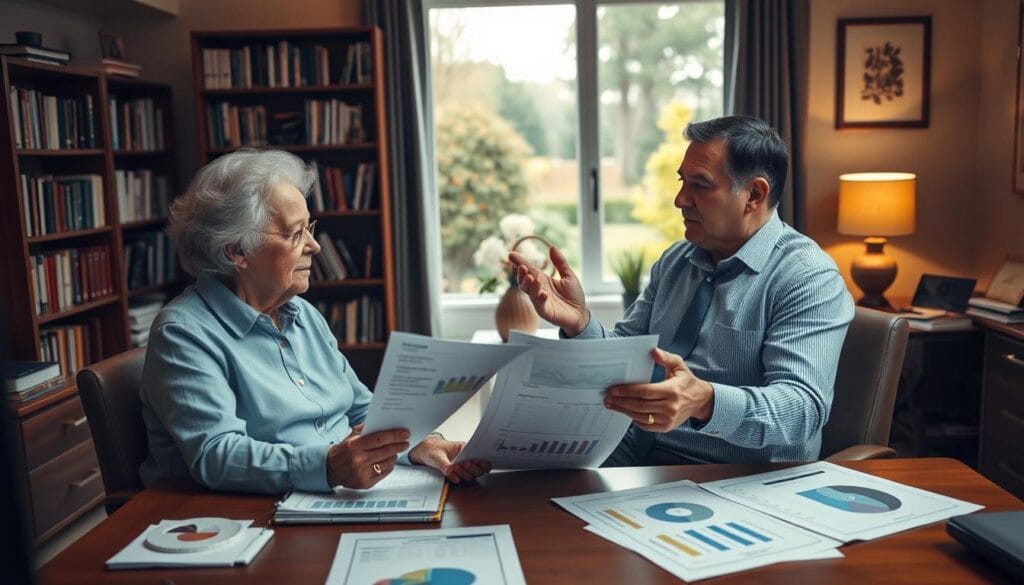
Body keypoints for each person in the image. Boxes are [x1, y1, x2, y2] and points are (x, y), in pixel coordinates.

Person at [139, 148, 490, 493]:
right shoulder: (183, 333)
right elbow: (216, 455)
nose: (315, 246)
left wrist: (423, 445)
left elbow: (359, 408)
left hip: (333, 497)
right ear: (237, 251)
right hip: (247, 515)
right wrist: (327, 466)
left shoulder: (302, 314)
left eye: (311, 228)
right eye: (295, 234)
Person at [510, 116, 854, 466]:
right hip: (637, 451)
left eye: (700, 185)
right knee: (512, 481)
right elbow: (629, 354)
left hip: (734, 475)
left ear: (754, 194)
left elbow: (801, 411)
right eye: (682, 182)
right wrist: (580, 324)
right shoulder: (677, 260)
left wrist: (706, 402)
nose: (680, 199)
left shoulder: (808, 278)